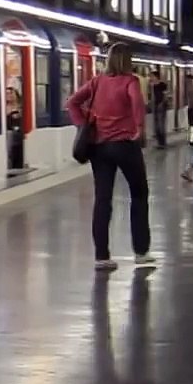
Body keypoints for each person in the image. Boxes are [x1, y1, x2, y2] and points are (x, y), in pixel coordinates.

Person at [66, 43, 154, 273]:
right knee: (139, 193)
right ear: (128, 60)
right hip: (124, 145)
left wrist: (81, 123)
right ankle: (141, 252)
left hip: (99, 147)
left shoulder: (97, 81)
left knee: (103, 199)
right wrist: (139, 128)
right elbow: (136, 104)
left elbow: (72, 102)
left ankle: (102, 257)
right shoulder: (130, 81)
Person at [149, 70, 169, 149]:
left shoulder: (162, 85)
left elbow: (165, 95)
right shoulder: (152, 86)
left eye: (152, 76)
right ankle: (159, 142)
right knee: (156, 125)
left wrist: (162, 103)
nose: (151, 78)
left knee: (161, 125)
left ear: (156, 76)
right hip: (155, 106)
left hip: (161, 106)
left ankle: (163, 143)